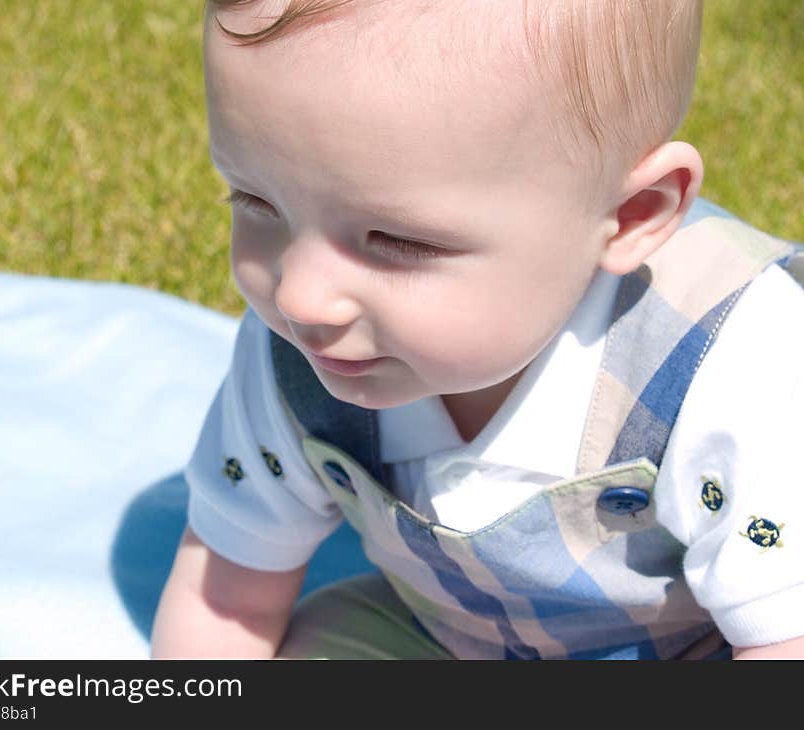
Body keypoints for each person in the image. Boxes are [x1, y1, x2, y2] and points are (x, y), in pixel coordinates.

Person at [151, 0, 804, 659]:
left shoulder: (734, 361)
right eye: (256, 201)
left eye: (396, 241)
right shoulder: (296, 357)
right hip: (456, 639)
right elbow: (226, 596)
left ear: (631, 215)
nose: (303, 296)